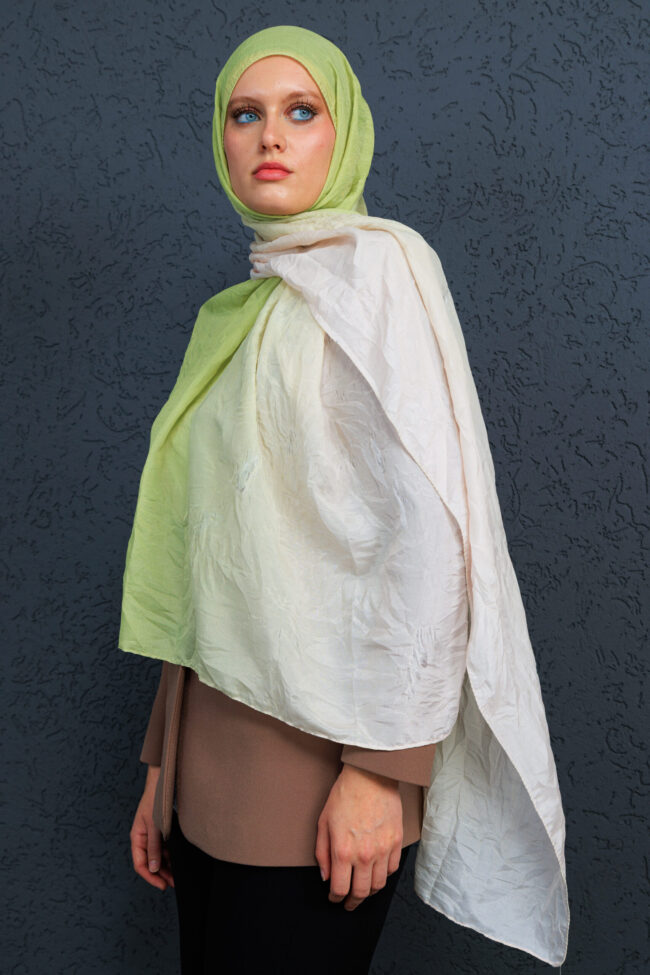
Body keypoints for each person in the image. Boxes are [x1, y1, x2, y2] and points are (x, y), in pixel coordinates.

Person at [121, 24, 569, 975]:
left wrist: (382, 773)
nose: (270, 137)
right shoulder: (249, 307)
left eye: (300, 111)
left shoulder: (379, 278)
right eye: (245, 115)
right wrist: (163, 763)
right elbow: (208, 553)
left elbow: (431, 535)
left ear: (346, 133)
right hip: (207, 760)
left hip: (320, 770)